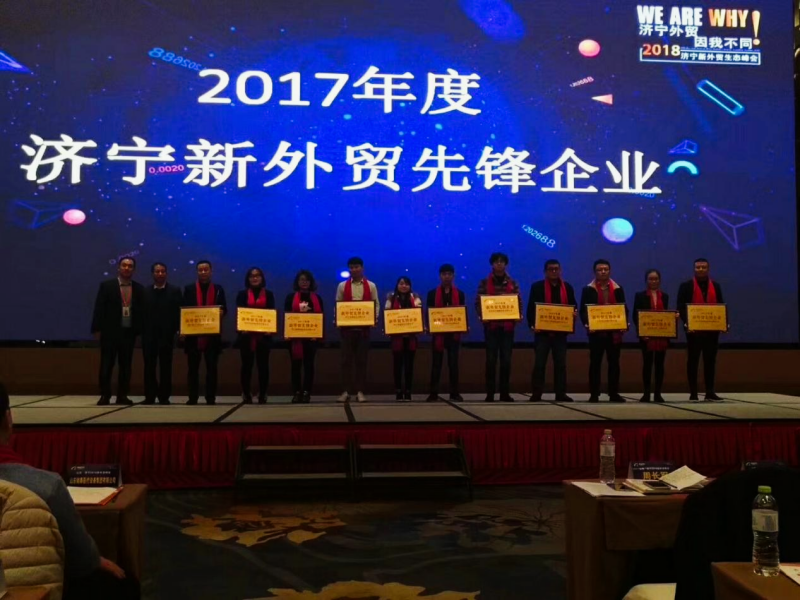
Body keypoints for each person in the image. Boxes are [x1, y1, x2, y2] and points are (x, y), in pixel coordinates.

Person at [0, 383, 139, 600]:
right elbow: (82, 561)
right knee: (122, 584)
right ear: (8, 419)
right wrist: (95, 559)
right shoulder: (47, 487)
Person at [91, 256, 144, 406]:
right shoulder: (107, 286)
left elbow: (141, 313)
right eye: (124, 265)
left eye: (130, 266)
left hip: (128, 333)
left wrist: (139, 332)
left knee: (126, 366)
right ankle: (105, 395)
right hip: (109, 333)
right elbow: (99, 308)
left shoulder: (139, 288)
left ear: (134, 270)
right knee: (106, 365)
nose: (127, 268)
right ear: (118, 267)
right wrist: (96, 329)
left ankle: (122, 395)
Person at [526, 259, 577, 402]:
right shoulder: (537, 287)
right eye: (550, 269)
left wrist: (573, 314)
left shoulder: (567, 287)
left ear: (560, 270)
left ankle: (561, 393)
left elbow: (573, 306)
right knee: (539, 364)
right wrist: (532, 325)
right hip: (542, 333)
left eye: (556, 269)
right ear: (545, 271)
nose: (554, 271)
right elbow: (531, 308)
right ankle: (536, 393)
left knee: (560, 365)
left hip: (560, 334)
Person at [677, 258, 724, 402]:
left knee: (710, 361)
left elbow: (721, 307)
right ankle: (693, 393)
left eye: (703, 267)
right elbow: (680, 306)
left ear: (708, 269)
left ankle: (710, 391)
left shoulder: (716, 286)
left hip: (712, 332)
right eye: (698, 267)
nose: (701, 269)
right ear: (694, 269)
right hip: (693, 332)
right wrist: (687, 323)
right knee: (693, 361)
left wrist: (723, 323)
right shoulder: (686, 286)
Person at [580, 259, 627, 403]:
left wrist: (624, 323)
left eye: (606, 269)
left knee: (614, 364)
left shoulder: (618, 288)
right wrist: (588, 323)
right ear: (595, 272)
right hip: (596, 334)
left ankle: (614, 393)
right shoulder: (588, 289)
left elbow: (623, 308)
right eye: (600, 269)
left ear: (610, 271)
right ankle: (594, 394)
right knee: (595, 364)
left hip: (614, 334)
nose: (603, 272)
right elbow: (583, 310)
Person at [476, 252, 520, 402]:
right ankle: (490, 393)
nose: (499, 264)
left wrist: (517, 315)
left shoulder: (512, 283)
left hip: (507, 329)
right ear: (492, 264)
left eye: (502, 261)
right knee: (491, 361)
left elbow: (518, 302)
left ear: (506, 264)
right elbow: (478, 302)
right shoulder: (484, 282)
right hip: (491, 328)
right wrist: (482, 315)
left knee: (506, 361)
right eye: (496, 262)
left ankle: (504, 393)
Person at [182, 260, 227, 405]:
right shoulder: (189, 289)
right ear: (197, 272)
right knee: (192, 369)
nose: (203, 272)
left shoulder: (218, 289)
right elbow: (184, 311)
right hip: (193, 336)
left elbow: (224, 308)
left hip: (212, 336)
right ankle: (192, 397)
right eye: (200, 270)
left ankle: (210, 397)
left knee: (212, 368)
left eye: (206, 269)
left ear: (211, 271)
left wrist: (221, 312)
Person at [335, 257, 379, 403]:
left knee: (362, 361)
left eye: (356, 267)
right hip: (347, 331)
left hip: (363, 330)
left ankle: (360, 391)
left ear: (362, 268)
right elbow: (338, 304)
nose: (354, 269)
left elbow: (376, 304)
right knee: (345, 361)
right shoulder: (342, 285)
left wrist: (374, 318)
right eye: (351, 267)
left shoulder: (371, 285)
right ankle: (346, 391)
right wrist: (338, 319)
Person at [141, 262, 182, 405]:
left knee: (166, 366)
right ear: (152, 273)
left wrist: (178, 330)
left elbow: (179, 313)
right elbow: (141, 314)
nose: (160, 274)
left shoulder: (175, 291)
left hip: (167, 335)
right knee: (149, 366)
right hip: (148, 336)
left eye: (163, 271)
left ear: (166, 273)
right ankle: (149, 396)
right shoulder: (145, 291)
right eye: (157, 271)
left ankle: (164, 396)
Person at [426, 264, 466, 402]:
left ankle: (454, 393)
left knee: (453, 364)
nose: (447, 277)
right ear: (440, 276)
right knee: (436, 364)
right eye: (444, 274)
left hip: (453, 335)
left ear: (453, 276)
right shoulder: (432, 294)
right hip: (438, 334)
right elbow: (429, 313)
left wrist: (463, 325)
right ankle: (433, 393)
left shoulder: (460, 294)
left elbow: (461, 313)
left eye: (449, 274)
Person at [235, 267, 275, 404]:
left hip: (264, 337)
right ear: (248, 279)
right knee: (246, 366)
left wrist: (270, 328)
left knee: (263, 366)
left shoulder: (269, 294)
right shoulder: (242, 294)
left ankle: (263, 393)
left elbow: (271, 313)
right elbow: (240, 313)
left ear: (262, 278)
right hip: (246, 337)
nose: (255, 278)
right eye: (252, 276)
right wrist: (242, 328)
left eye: (257, 275)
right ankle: (246, 393)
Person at [284, 270, 324, 404]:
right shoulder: (290, 297)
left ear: (311, 282)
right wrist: (288, 333)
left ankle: (307, 392)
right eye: (302, 280)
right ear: (297, 282)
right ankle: (296, 392)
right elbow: (287, 317)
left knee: (309, 365)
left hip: (311, 338)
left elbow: (320, 318)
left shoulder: (317, 298)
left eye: (307, 280)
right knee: (295, 365)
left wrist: (317, 334)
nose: (304, 282)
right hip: (295, 339)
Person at [634, 269, 671, 403]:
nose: (653, 281)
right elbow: (635, 316)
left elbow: (666, 315)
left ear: (659, 280)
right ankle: (646, 393)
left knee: (660, 365)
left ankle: (658, 393)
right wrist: (642, 333)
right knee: (647, 364)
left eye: (656, 279)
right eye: (651, 279)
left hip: (661, 336)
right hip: (646, 337)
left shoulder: (665, 296)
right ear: (646, 281)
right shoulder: (640, 296)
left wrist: (673, 319)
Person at [385, 277, 423, 401]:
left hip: (410, 339)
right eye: (401, 283)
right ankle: (398, 391)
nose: (404, 286)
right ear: (397, 285)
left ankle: (408, 391)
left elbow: (419, 314)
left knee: (409, 366)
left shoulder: (415, 298)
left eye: (406, 284)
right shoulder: (391, 299)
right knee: (397, 365)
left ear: (410, 286)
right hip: (397, 338)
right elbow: (387, 315)